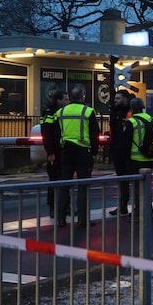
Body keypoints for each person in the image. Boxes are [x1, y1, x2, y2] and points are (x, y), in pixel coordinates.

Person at [54, 85, 100, 228]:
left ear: (71, 97)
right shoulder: (88, 111)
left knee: (64, 185)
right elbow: (95, 134)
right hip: (83, 152)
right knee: (83, 187)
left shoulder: (60, 112)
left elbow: (56, 133)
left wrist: (60, 149)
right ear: (83, 97)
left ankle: (60, 218)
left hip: (67, 151)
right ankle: (82, 219)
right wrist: (93, 151)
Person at [119, 97, 153, 216]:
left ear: (131, 108)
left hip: (137, 159)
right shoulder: (151, 119)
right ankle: (148, 210)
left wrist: (126, 159)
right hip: (151, 158)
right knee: (146, 187)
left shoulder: (132, 122)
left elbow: (126, 143)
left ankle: (138, 212)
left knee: (137, 187)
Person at [41, 88, 70, 219]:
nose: (68, 101)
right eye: (66, 99)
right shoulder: (49, 113)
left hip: (64, 151)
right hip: (55, 152)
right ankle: (53, 208)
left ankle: (65, 207)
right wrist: (50, 152)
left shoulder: (63, 112)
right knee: (54, 181)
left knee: (65, 180)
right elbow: (46, 134)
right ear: (59, 100)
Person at [108, 89, 132, 216]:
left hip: (129, 152)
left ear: (125, 99)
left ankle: (142, 208)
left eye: (118, 98)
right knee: (123, 180)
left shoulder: (129, 112)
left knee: (135, 180)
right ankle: (122, 206)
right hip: (117, 150)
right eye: (115, 98)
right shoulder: (115, 112)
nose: (115, 100)